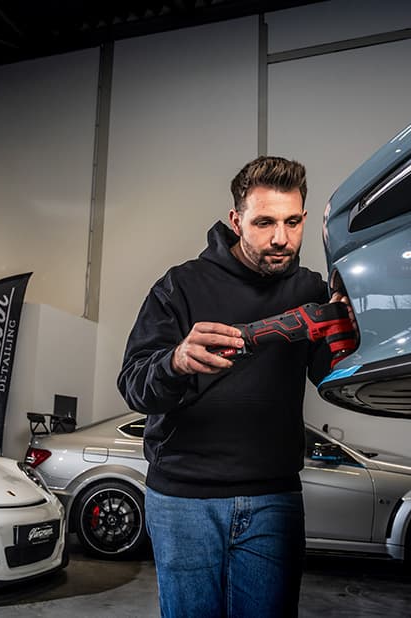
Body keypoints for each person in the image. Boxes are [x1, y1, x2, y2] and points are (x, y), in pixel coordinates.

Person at [117, 155, 349, 617]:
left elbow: (330, 378)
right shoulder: (180, 286)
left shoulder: (312, 292)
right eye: (264, 222)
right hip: (184, 500)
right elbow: (134, 385)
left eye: (291, 222)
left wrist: (349, 336)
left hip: (274, 499)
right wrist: (175, 360)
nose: (280, 238)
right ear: (235, 219)